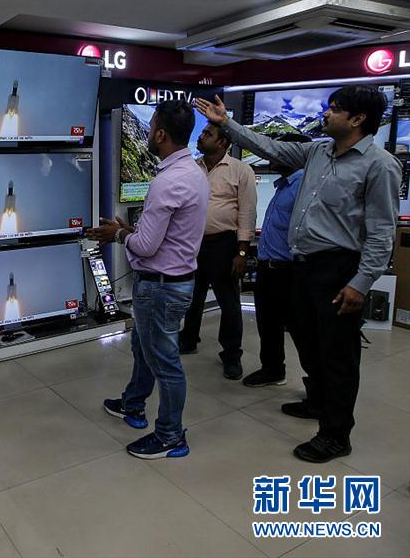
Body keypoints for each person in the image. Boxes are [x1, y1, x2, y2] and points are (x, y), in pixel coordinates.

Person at [195, 86, 400, 463]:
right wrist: (228, 124)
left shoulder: (379, 165)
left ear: (357, 119)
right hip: (302, 267)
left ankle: (336, 435)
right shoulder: (319, 152)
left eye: (335, 109)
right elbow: (269, 147)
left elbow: (381, 232)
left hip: (339, 269)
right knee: (308, 342)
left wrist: (360, 283)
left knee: (338, 354)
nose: (327, 114)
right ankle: (317, 402)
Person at [87, 99, 209, 460]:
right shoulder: (194, 172)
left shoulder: (166, 182)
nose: (149, 132)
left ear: (160, 134)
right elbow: (164, 235)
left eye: (153, 125)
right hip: (175, 280)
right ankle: (133, 403)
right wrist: (131, 231)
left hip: (160, 286)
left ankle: (170, 435)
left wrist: (118, 235)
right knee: (144, 347)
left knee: (165, 362)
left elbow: (146, 245)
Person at [179, 123, 257, 381]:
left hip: (224, 244)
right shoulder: (193, 167)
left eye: (207, 134)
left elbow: (247, 212)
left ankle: (232, 354)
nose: (201, 137)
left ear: (223, 142)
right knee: (192, 295)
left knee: (229, 303)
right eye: (201, 133)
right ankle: (188, 338)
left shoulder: (241, 170)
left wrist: (242, 253)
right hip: (193, 243)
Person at [242, 133, 316, 388]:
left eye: (280, 151)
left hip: (289, 271)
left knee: (301, 330)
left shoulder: (303, 187)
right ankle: (272, 369)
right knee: (268, 324)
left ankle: (318, 389)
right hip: (269, 268)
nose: (273, 155)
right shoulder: (284, 185)